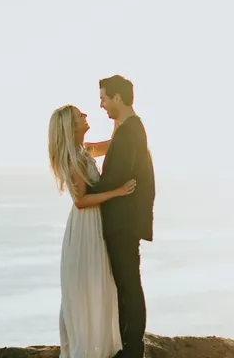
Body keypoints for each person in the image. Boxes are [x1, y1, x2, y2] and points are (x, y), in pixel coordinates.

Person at [48, 104, 137, 358]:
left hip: (93, 222)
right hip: (86, 225)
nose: (85, 116)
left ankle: (99, 343)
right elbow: (81, 201)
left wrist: (119, 113)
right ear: (71, 126)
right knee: (91, 283)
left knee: (99, 282)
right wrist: (117, 192)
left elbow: (112, 144)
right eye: (80, 116)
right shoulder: (75, 159)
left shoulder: (84, 150)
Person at [86, 75, 155, 358]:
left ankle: (133, 348)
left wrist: (83, 192)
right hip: (126, 219)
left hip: (124, 221)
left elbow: (116, 177)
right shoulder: (127, 128)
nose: (101, 105)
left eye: (103, 98)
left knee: (128, 283)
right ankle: (128, 344)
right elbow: (109, 149)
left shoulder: (130, 132)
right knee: (126, 283)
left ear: (117, 97)